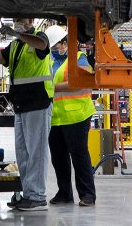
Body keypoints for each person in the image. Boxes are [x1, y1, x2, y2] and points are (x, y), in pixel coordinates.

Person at [0, 18, 53, 211]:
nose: (18, 22)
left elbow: (42, 45)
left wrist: (17, 34)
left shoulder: (38, 37)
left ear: (31, 21)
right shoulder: (15, 45)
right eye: (16, 20)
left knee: (37, 151)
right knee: (23, 153)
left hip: (38, 102)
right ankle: (28, 193)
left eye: (22, 19)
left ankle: (37, 196)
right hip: (20, 104)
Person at [46, 29, 97, 207]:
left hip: (77, 115)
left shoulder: (79, 58)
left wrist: (52, 88)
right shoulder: (50, 60)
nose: (56, 48)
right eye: (52, 45)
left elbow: (81, 82)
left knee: (79, 155)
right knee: (58, 157)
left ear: (66, 42)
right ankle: (64, 193)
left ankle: (88, 194)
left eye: (58, 44)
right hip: (55, 117)